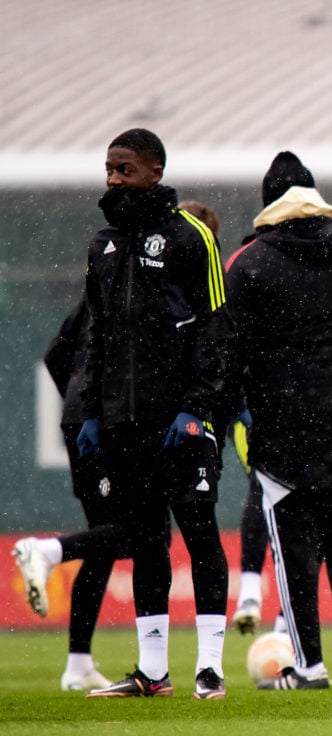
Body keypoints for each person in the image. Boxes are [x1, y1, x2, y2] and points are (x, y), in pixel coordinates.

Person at [12, 128, 231, 699]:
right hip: (121, 423)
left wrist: (197, 408)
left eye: (125, 168)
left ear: (155, 171)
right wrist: (87, 412)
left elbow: (215, 327)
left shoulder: (191, 239)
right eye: (109, 167)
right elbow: (95, 338)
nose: (114, 177)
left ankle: (210, 670)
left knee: (201, 534)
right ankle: (152, 673)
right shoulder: (103, 245)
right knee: (147, 542)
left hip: (181, 421)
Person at [222, 151, 332, 690]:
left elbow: (229, 350)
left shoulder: (250, 262)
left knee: (294, 554)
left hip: (284, 431)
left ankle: (309, 667)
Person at [42, 297, 114, 692]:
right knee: (135, 532)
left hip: (83, 421)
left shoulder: (106, 281)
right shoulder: (150, 278)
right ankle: (49, 551)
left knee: (109, 536)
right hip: (106, 424)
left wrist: (76, 400)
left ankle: (79, 662)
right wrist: (92, 403)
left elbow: (56, 352)